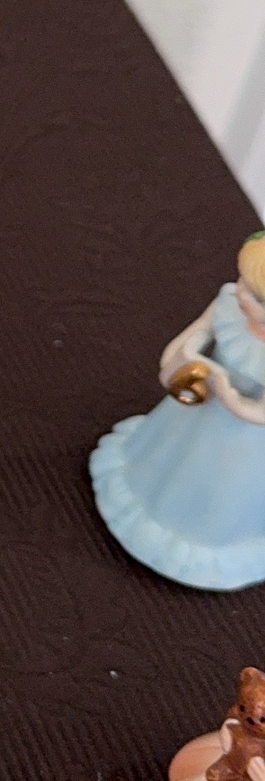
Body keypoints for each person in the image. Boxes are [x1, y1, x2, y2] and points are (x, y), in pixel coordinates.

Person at [91, 234, 265, 589]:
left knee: (220, 487)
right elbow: (194, 334)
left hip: (241, 442)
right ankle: (143, 494)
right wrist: (183, 357)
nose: (241, 295)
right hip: (195, 409)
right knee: (169, 454)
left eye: (257, 298)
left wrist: (234, 401)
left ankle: (195, 539)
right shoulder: (230, 305)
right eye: (243, 283)